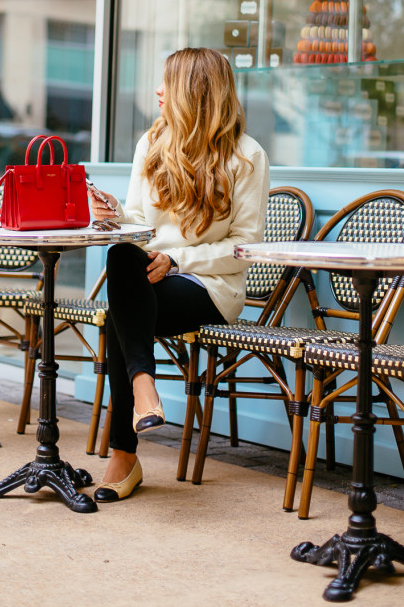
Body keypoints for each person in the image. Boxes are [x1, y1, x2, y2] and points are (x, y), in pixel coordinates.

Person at [88, 47, 270, 503]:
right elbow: (138, 223)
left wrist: (178, 261)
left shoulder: (247, 157)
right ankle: (144, 386)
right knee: (120, 255)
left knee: (118, 319)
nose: (157, 91)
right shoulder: (151, 144)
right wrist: (113, 215)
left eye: (166, 83)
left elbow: (243, 249)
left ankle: (125, 454)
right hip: (148, 277)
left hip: (210, 287)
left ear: (193, 92)